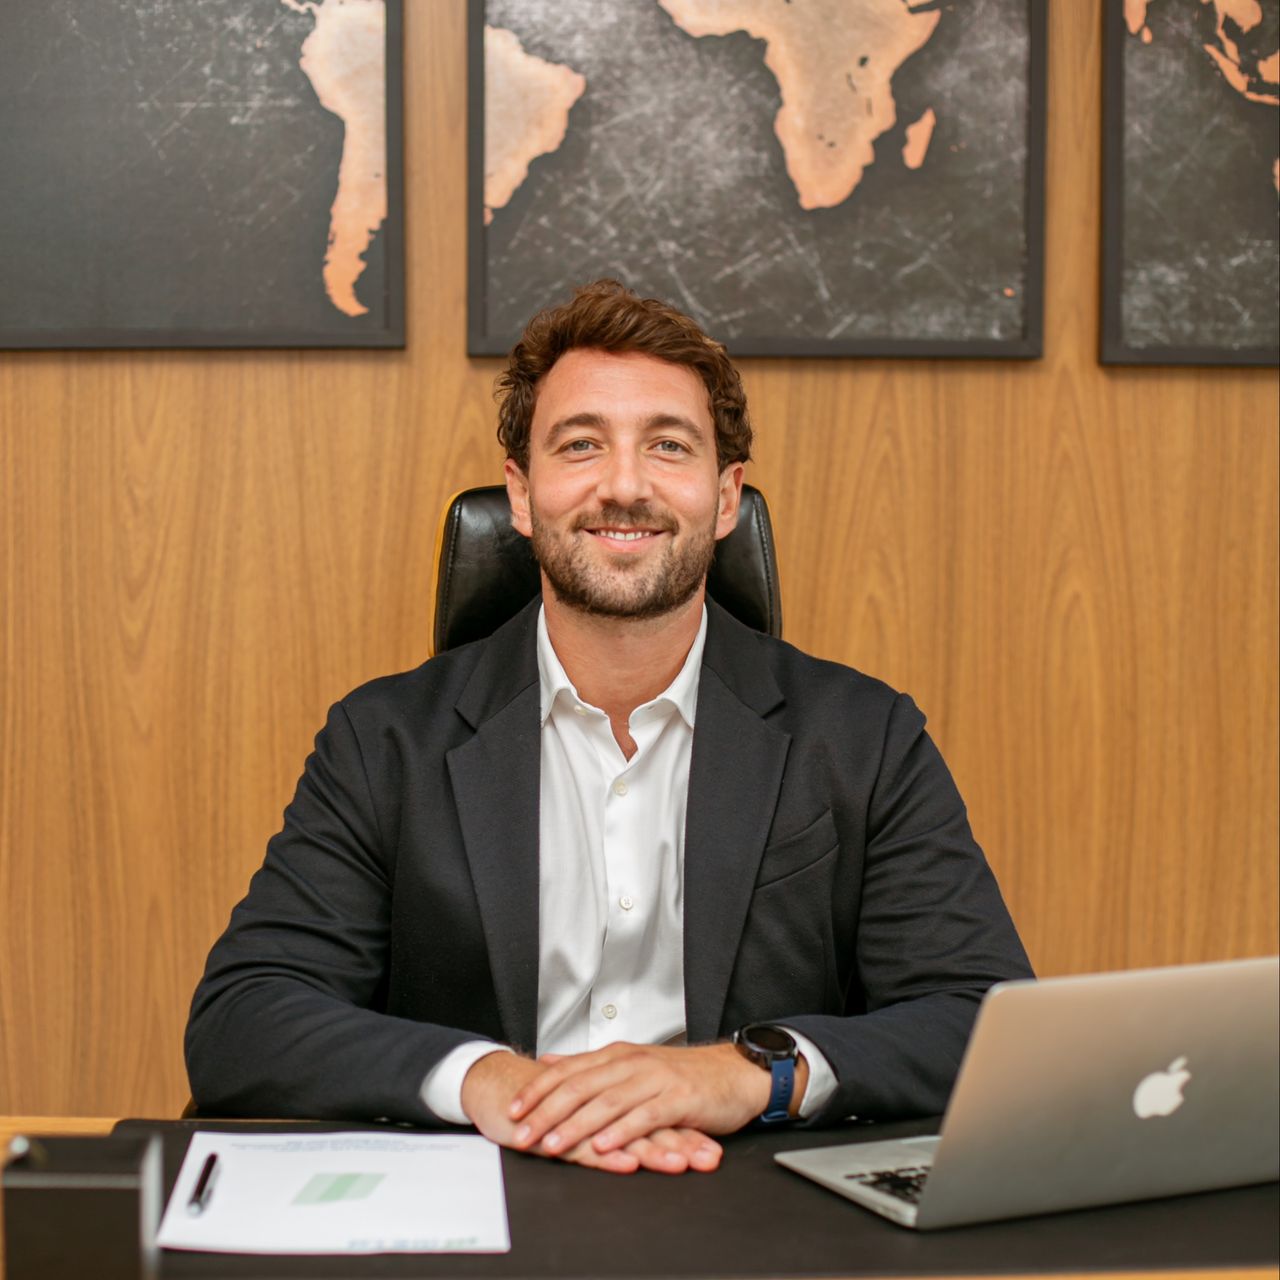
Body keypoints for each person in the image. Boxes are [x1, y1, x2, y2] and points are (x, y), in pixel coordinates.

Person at [186, 280, 1032, 1176]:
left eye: (668, 446)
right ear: (521, 494)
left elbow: (984, 1018)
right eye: (581, 445)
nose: (624, 486)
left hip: (749, 1200)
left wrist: (749, 1072)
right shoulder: (385, 741)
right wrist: (487, 1082)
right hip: (490, 1191)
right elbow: (244, 1017)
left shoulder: (863, 739)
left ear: (726, 496)